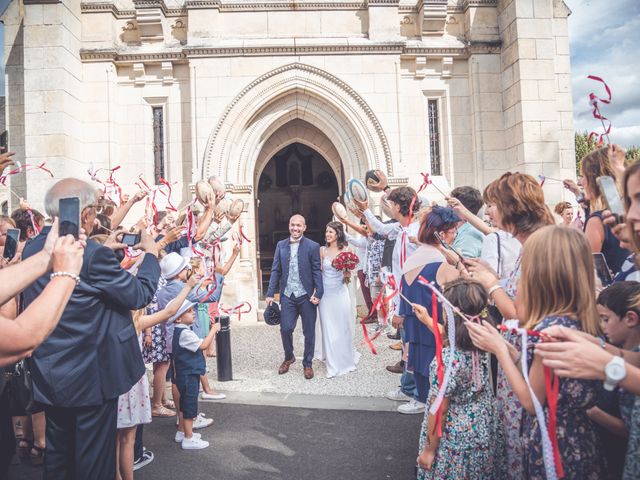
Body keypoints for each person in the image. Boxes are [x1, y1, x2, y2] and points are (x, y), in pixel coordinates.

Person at [21, 178, 161, 480]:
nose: (97, 217)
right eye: (95, 210)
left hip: (50, 373)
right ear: (83, 213)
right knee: (93, 463)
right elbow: (139, 294)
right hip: (91, 377)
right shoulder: (92, 256)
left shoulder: (32, 248)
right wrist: (151, 254)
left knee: (59, 459)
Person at [467, 225, 603, 479]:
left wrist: (500, 351)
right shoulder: (578, 317)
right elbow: (547, 380)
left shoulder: (554, 329)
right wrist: (514, 353)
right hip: (578, 438)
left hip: (556, 445)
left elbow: (531, 402)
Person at [416, 279, 506, 479]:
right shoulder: (482, 337)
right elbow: (455, 337)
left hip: (455, 435)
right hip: (482, 425)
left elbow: (440, 408)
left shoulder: (448, 359)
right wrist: (428, 320)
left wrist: (430, 450)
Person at [397, 206, 459, 415]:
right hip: (437, 333)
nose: (455, 236)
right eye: (453, 232)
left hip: (415, 331)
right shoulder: (443, 267)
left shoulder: (410, 261)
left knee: (424, 379)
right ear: (441, 235)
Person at [265, 214, 323, 379]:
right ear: (289, 225)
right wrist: (270, 293)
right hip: (287, 295)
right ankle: (289, 357)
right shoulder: (281, 245)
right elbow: (276, 270)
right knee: (286, 328)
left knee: (309, 331)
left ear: (304, 227)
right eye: (293, 225)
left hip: (306, 296)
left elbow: (316, 271)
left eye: (299, 225)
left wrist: (318, 293)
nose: (295, 228)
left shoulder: (313, 246)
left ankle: (307, 363)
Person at [172, 302, 221, 450]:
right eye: (188, 311)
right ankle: (189, 438)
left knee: (183, 405)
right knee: (189, 406)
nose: (193, 313)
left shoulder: (182, 331)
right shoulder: (185, 333)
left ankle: (182, 432)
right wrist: (213, 330)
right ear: (178, 319)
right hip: (189, 374)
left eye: (192, 310)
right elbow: (203, 345)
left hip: (184, 373)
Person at [315, 221, 360, 378]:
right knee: (328, 326)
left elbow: (350, 272)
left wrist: (347, 273)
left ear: (338, 234)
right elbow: (319, 273)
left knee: (342, 326)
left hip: (341, 293)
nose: (327, 234)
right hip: (326, 294)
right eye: (326, 232)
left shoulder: (346, 250)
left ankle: (344, 358)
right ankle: (332, 363)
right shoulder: (322, 251)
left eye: (331, 232)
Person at [581, 147, 630, 274]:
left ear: (594, 179)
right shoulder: (629, 213)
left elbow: (587, 273)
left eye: (583, 176)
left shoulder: (597, 221)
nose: (582, 182)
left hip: (612, 291)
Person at [448, 186, 484, 258]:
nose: (446, 207)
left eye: (449, 204)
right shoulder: (459, 230)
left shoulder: (469, 235)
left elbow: (464, 264)